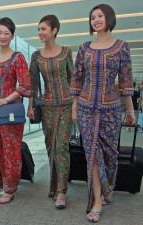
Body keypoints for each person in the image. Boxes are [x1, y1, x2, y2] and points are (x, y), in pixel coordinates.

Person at [70, 4, 135, 222]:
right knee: (93, 156)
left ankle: (107, 190)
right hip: (87, 109)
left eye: (100, 16)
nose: (96, 20)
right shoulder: (84, 48)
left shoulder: (121, 47)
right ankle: (96, 201)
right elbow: (77, 79)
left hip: (111, 110)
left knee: (110, 157)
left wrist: (131, 110)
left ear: (109, 18)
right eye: (92, 17)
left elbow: (126, 80)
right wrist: (75, 106)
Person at [27, 15, 73, 210]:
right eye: (38, 29)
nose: (40, 33)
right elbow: (33, 86)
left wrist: (77, 106)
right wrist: (30, 106)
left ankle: (62, 191)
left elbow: (73, 81)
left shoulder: (66, 53)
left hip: (66, 105)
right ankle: (54, 186)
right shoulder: (36, 56)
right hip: (46, 107)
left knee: (61, 146)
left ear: (54, 30)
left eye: (43, 29)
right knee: (50, 146)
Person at [0, 17, 31, 204]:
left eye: (6, 33)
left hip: (11, 109)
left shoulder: (18, 57)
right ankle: (5, 182)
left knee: (10, 149)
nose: (2, 36)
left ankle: (10, 188)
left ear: (12, 36)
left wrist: (5, 99)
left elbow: (26, 86)